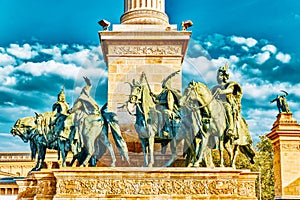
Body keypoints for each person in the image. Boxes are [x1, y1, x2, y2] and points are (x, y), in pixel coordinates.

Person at [211, 63, 242, 139]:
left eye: (220, 75)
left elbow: (230, 90)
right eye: (217, 75)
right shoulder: (214, 87)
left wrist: (222, 92)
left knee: (227, 108)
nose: (218, 77)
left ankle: (231, 128)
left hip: (225, 103)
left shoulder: (229, 84)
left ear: (225, 76)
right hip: (216, 104)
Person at [153, 70, 181, 137]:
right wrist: (153, 95)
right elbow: (157, 96)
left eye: (164, 84)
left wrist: (160, 102)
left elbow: (169, 101)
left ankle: (167, 130)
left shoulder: (168, 92)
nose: (162, 85)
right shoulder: (163, 92)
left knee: (165, 114)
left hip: (166, 109)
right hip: (159, 109)